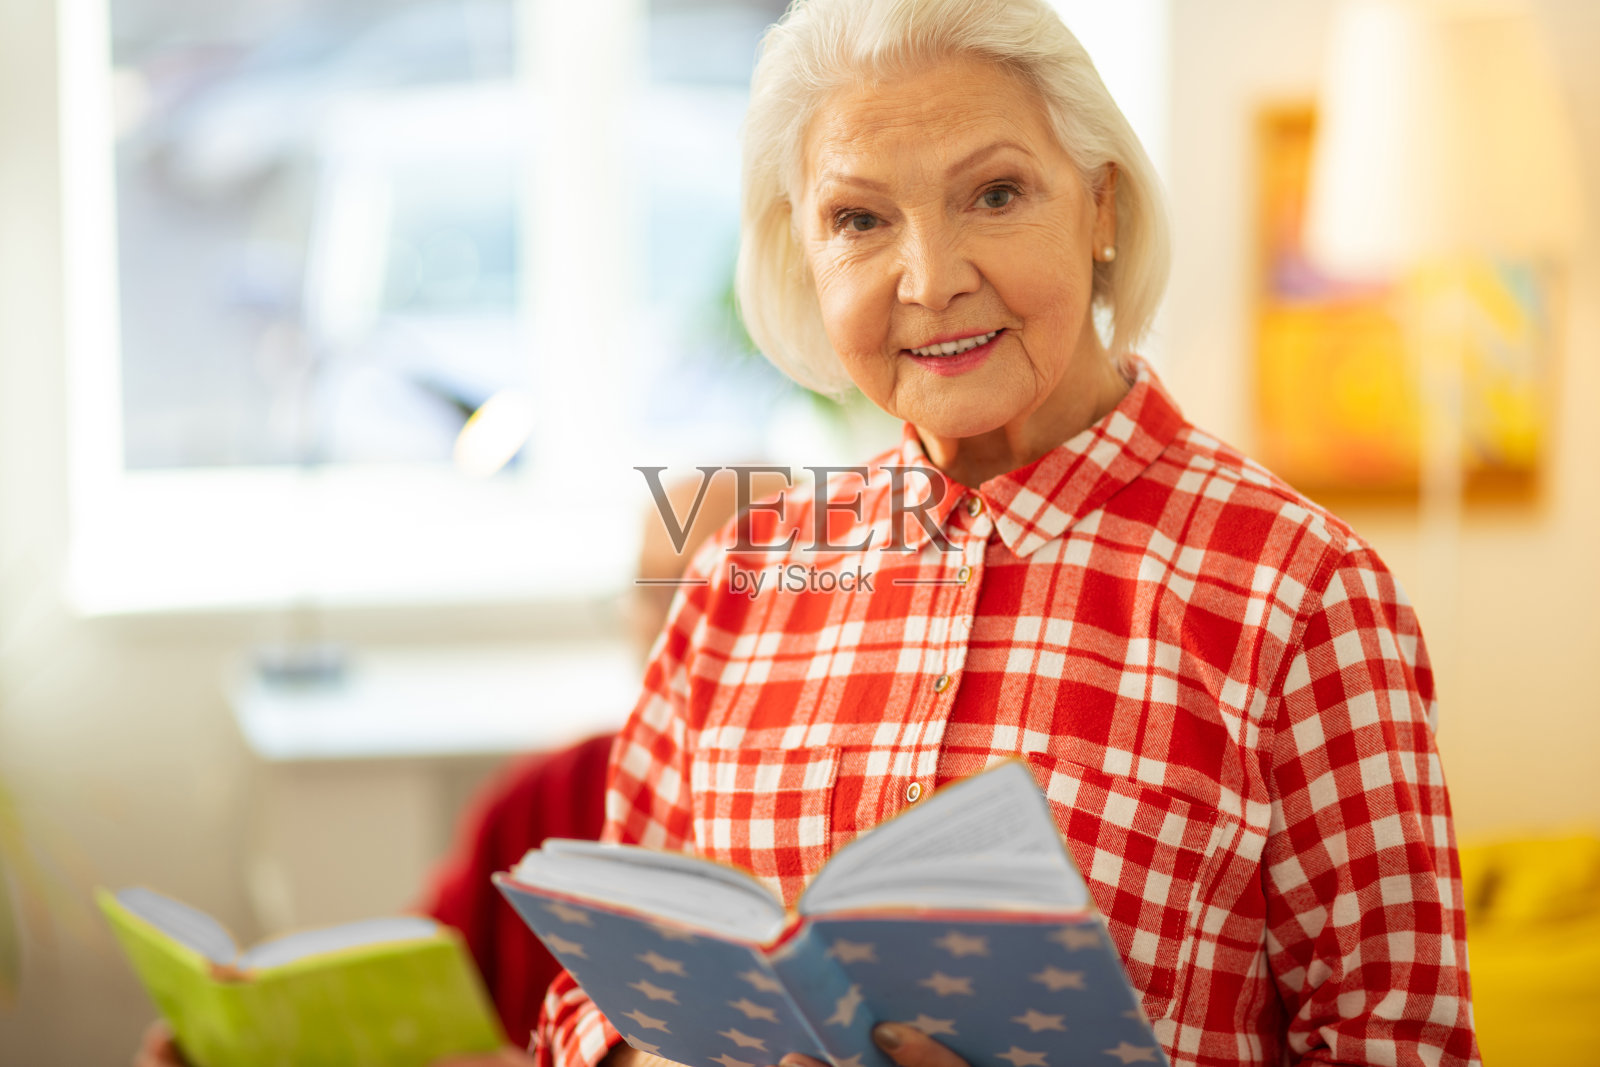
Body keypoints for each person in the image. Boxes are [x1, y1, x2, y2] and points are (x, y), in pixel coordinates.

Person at [529, 2, 1479, 1067]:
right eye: (858, 220)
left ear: (1100, 206)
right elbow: (588, 999)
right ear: (804, 252)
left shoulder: (1303, 594)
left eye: (994, 194)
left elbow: (1405, 1047)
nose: (930, 280)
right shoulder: (736, 582)